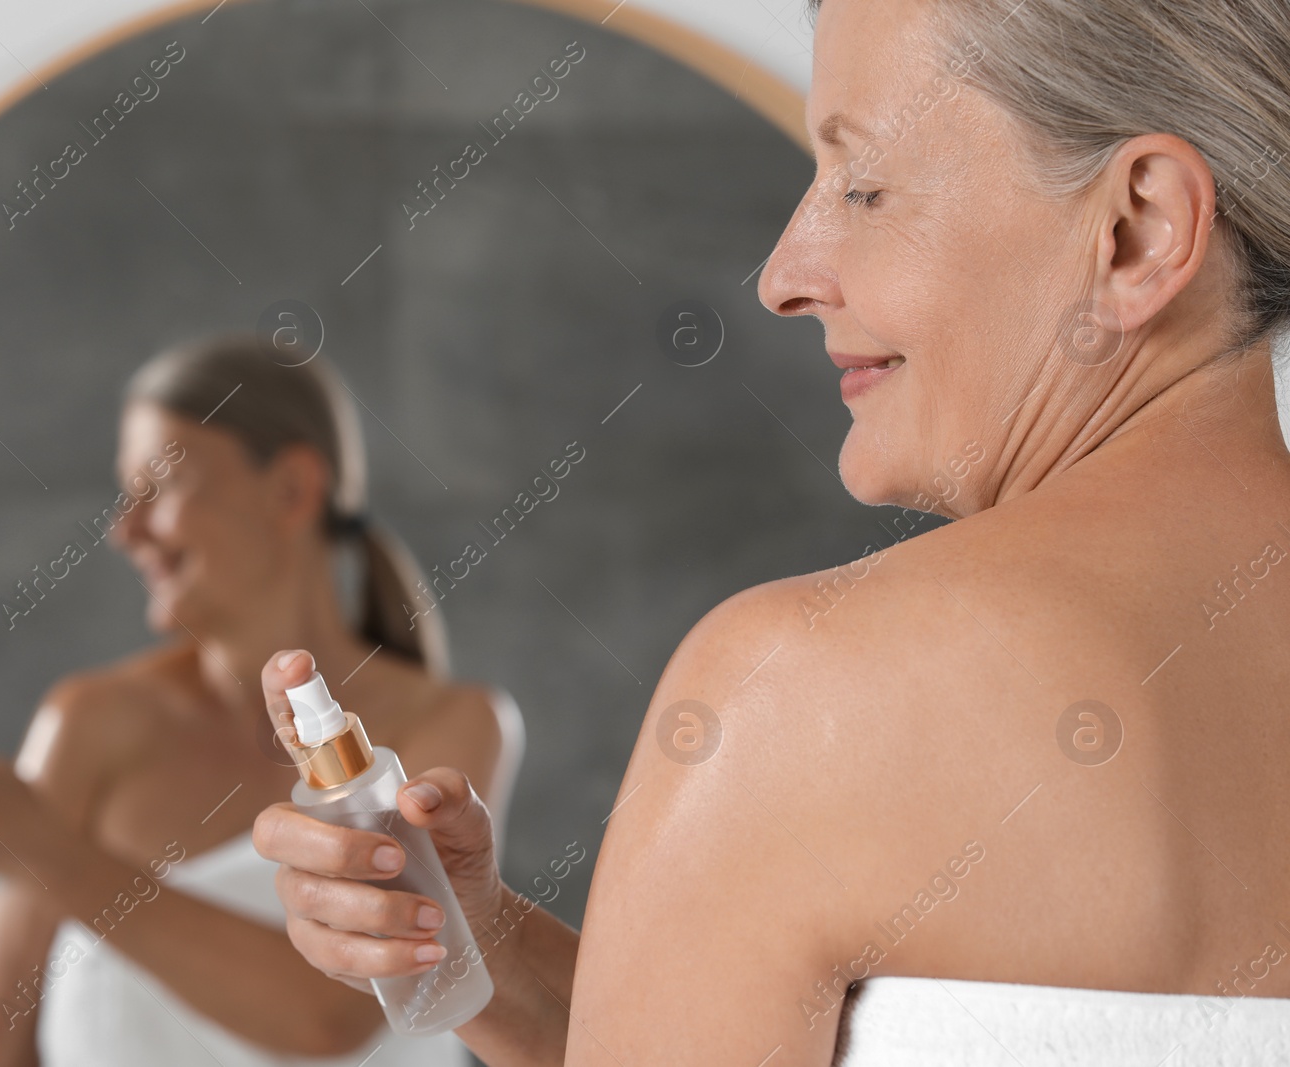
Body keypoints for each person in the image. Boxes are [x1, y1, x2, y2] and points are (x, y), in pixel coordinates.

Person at [250, 0, 1290, 1062]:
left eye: (865, 185)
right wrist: (493, 959)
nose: (782, 275)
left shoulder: (803, 690)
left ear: (1137, 229)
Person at [0, 338, 522, 1066]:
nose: (124, 532)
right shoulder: (92, 725)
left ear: (290, 488)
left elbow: (334, 1017)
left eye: (157, 488)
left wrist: (40, 846)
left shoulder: (452, 727)